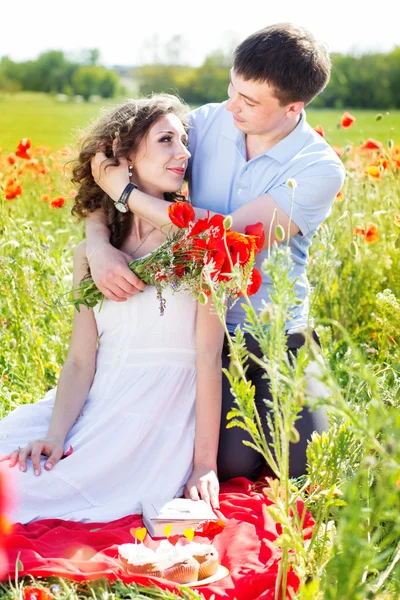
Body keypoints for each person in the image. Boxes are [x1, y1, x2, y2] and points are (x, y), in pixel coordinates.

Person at [85, 23, 346, 483]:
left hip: (274, 332)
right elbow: (108, 162)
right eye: (233, 88)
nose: (232, 106)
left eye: (249, 102)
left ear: (293, 107)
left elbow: (226, 236)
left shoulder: (319, 170)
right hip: (198, 328)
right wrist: (96, 242)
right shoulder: (205, 124)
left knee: (310, 465)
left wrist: (126, 194)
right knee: (230, 466)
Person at [0, 94, 224, 524]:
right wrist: (54, 435)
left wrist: (204, 465)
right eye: (166, 140)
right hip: (93, 401)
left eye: (184, 141)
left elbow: (207, 358)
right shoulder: (91, 253)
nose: (184, 153)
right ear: (125, 157)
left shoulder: (199, 241)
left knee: (24, 494)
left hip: (151, 417)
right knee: (19, 458)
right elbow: (82, 359)